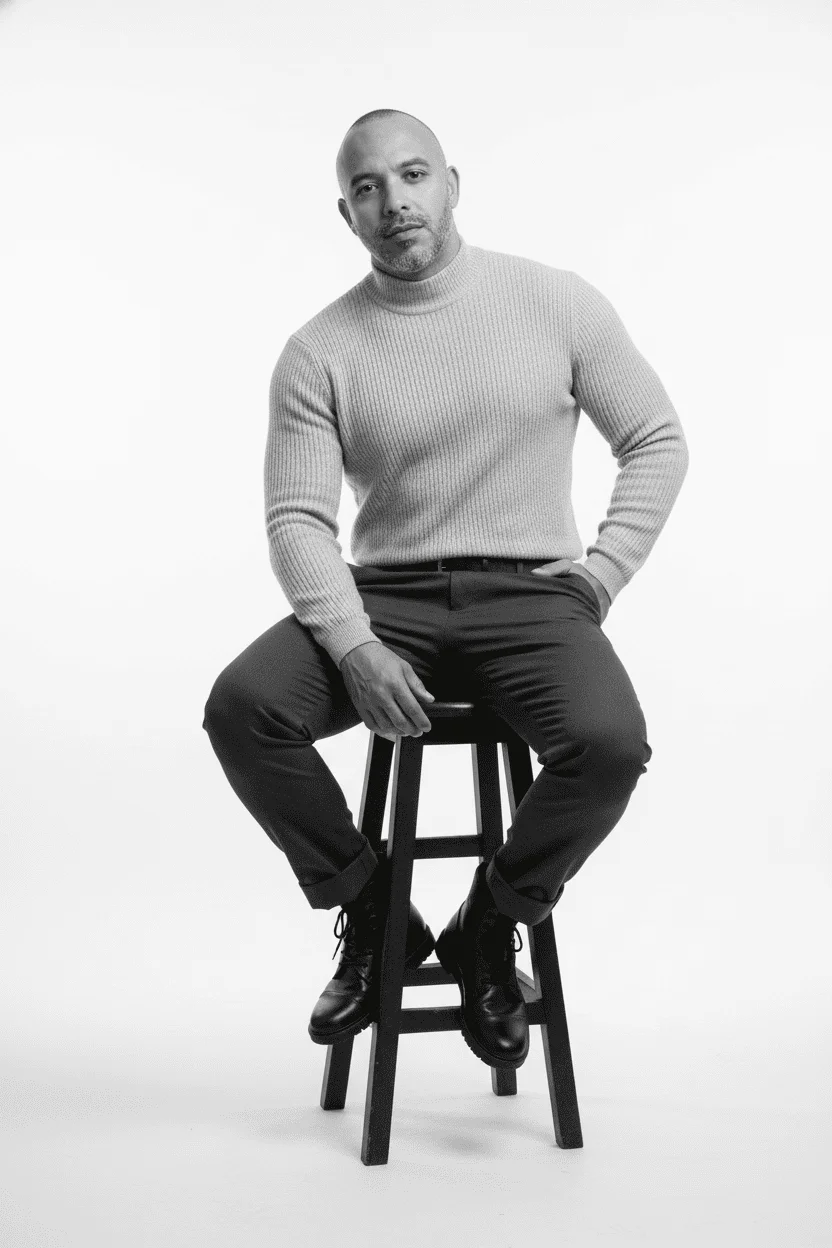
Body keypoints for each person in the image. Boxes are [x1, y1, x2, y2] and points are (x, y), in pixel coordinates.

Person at [202, 108, 689, 1072]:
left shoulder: (556, 302)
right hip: (387, 600)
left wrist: (602, 572)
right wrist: (353, 643)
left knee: (609, 746)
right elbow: (297, 519)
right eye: (368, 188)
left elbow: (656, 440)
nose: (395, 201)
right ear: (346, 214)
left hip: (532, 595)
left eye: (413, 175)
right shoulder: (319, 350)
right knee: (243, 709)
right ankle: (377, 915)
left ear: (452, 184)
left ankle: (488, 928)